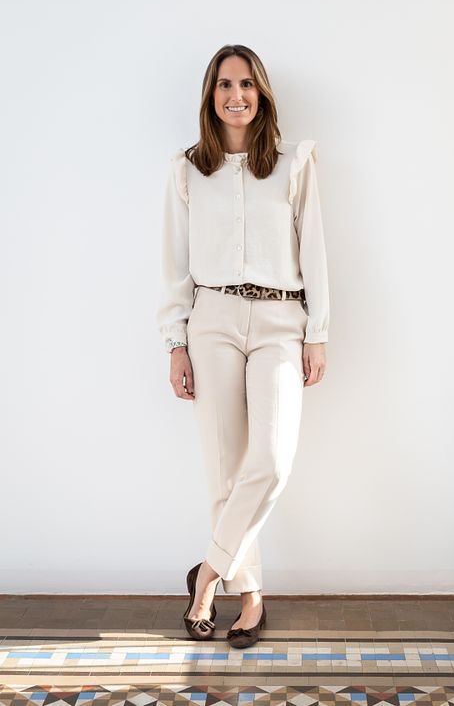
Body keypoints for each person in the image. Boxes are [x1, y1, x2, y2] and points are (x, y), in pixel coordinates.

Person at [156, 44, 329, 648]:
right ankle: (250, 596)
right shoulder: (186, 170)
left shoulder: (292, 163)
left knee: (272, 461)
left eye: (247, 84)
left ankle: (206, 574)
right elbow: (174, 264)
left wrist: (318, 331)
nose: (236, 96)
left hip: (282, 319)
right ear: (211, 96)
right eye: (225, 85)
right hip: (212, 320)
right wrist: (175, 343)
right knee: (226, 469)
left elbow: (315, 250)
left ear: (262, 94)